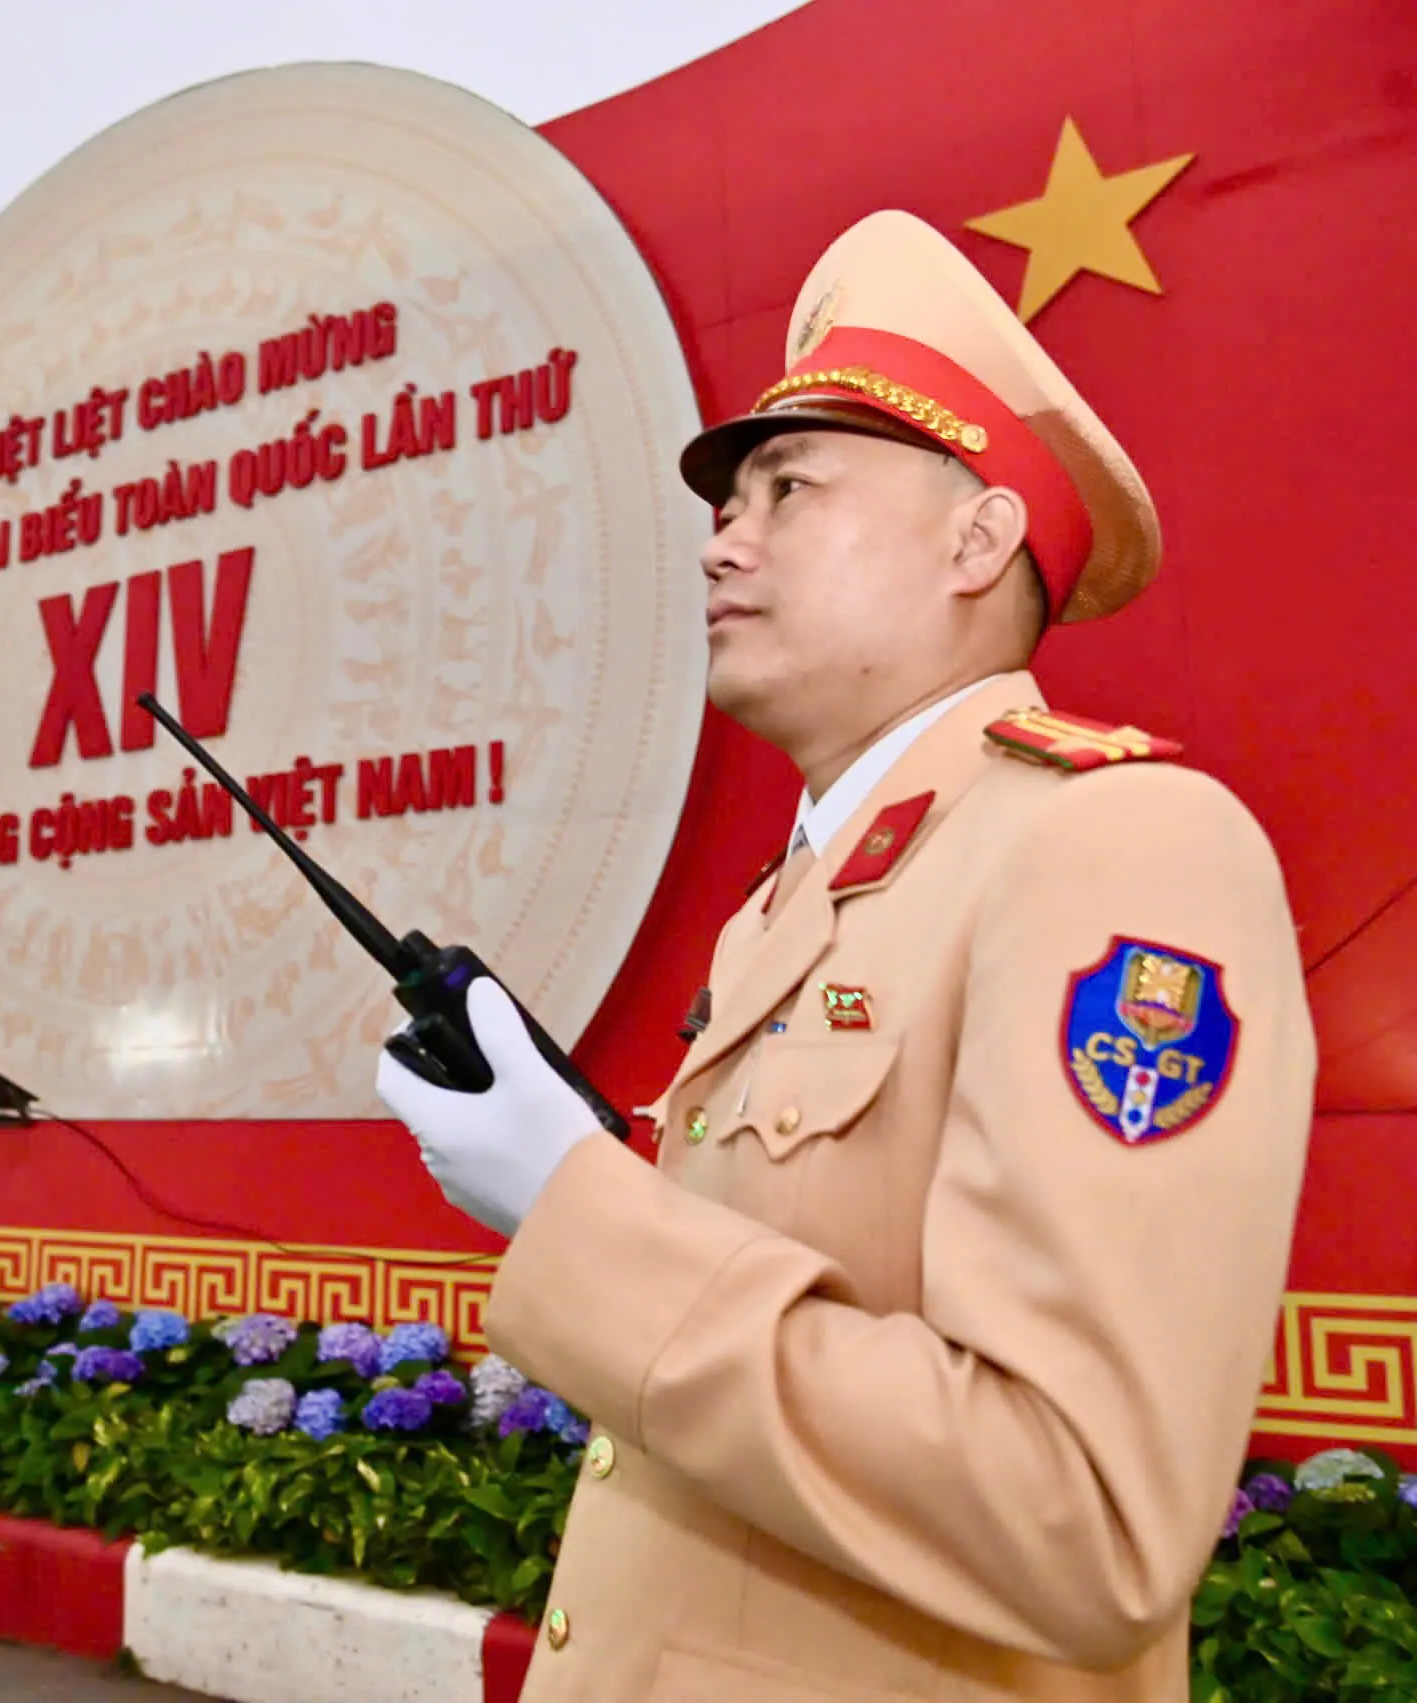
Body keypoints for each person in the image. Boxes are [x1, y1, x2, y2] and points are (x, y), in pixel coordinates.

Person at [375, 210, 1315, 1701]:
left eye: (790, 487)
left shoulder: (1116, 846)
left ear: (977, 538)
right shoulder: (791, 905)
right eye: (726, 504)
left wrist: (574, 1207)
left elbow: (1081, 1516)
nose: (722, 540)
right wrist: (585, 1160)